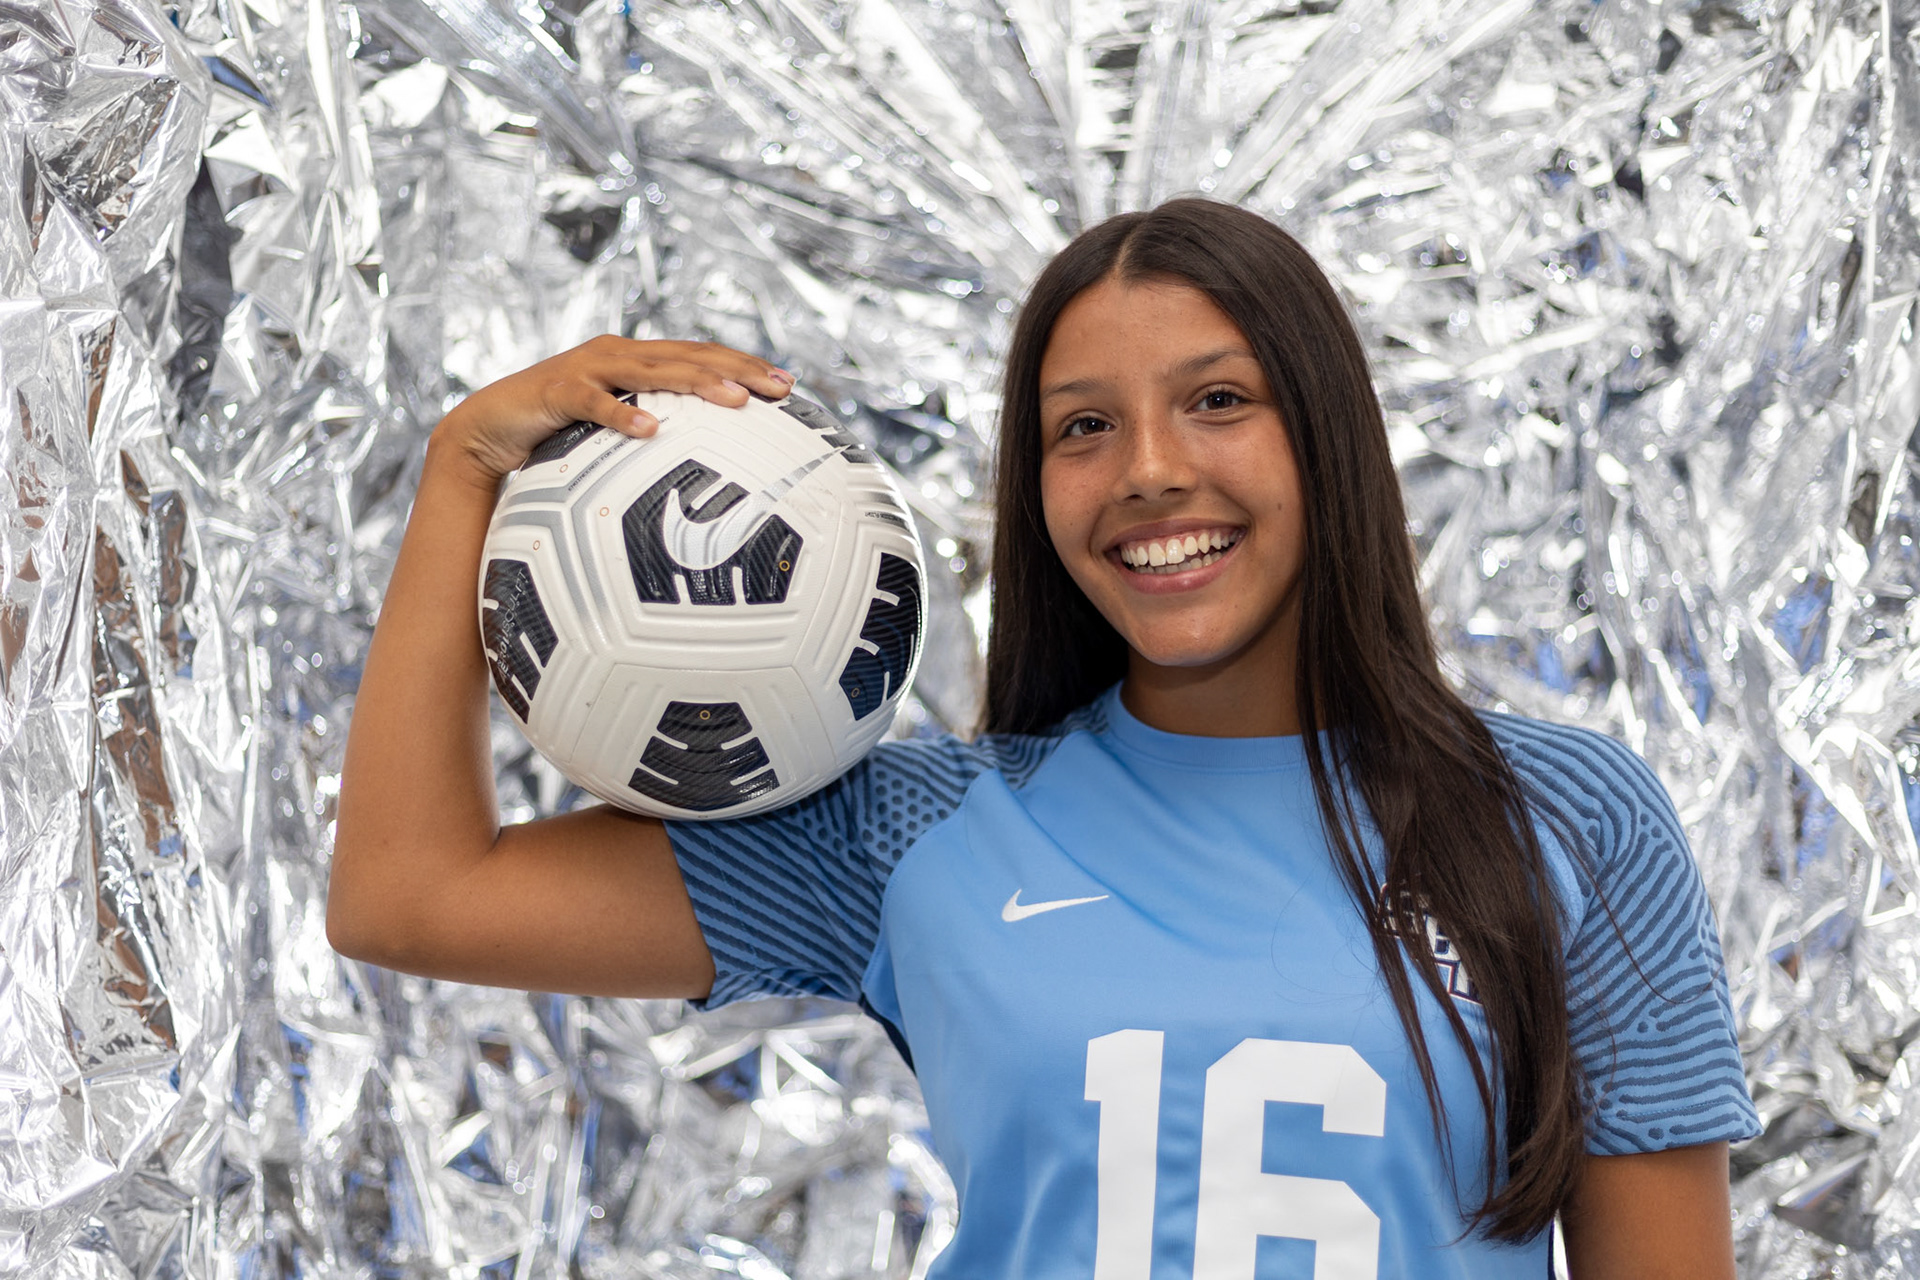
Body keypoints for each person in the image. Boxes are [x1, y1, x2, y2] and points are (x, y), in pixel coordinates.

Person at [328, 198, 1759, 1278]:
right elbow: (409, 890)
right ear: (1038, 488)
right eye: (1084, 427)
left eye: (1217, 401)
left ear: (1326, 434)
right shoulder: (913, 832)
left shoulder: (1566, 815)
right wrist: (466, 470)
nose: (1148, 471)